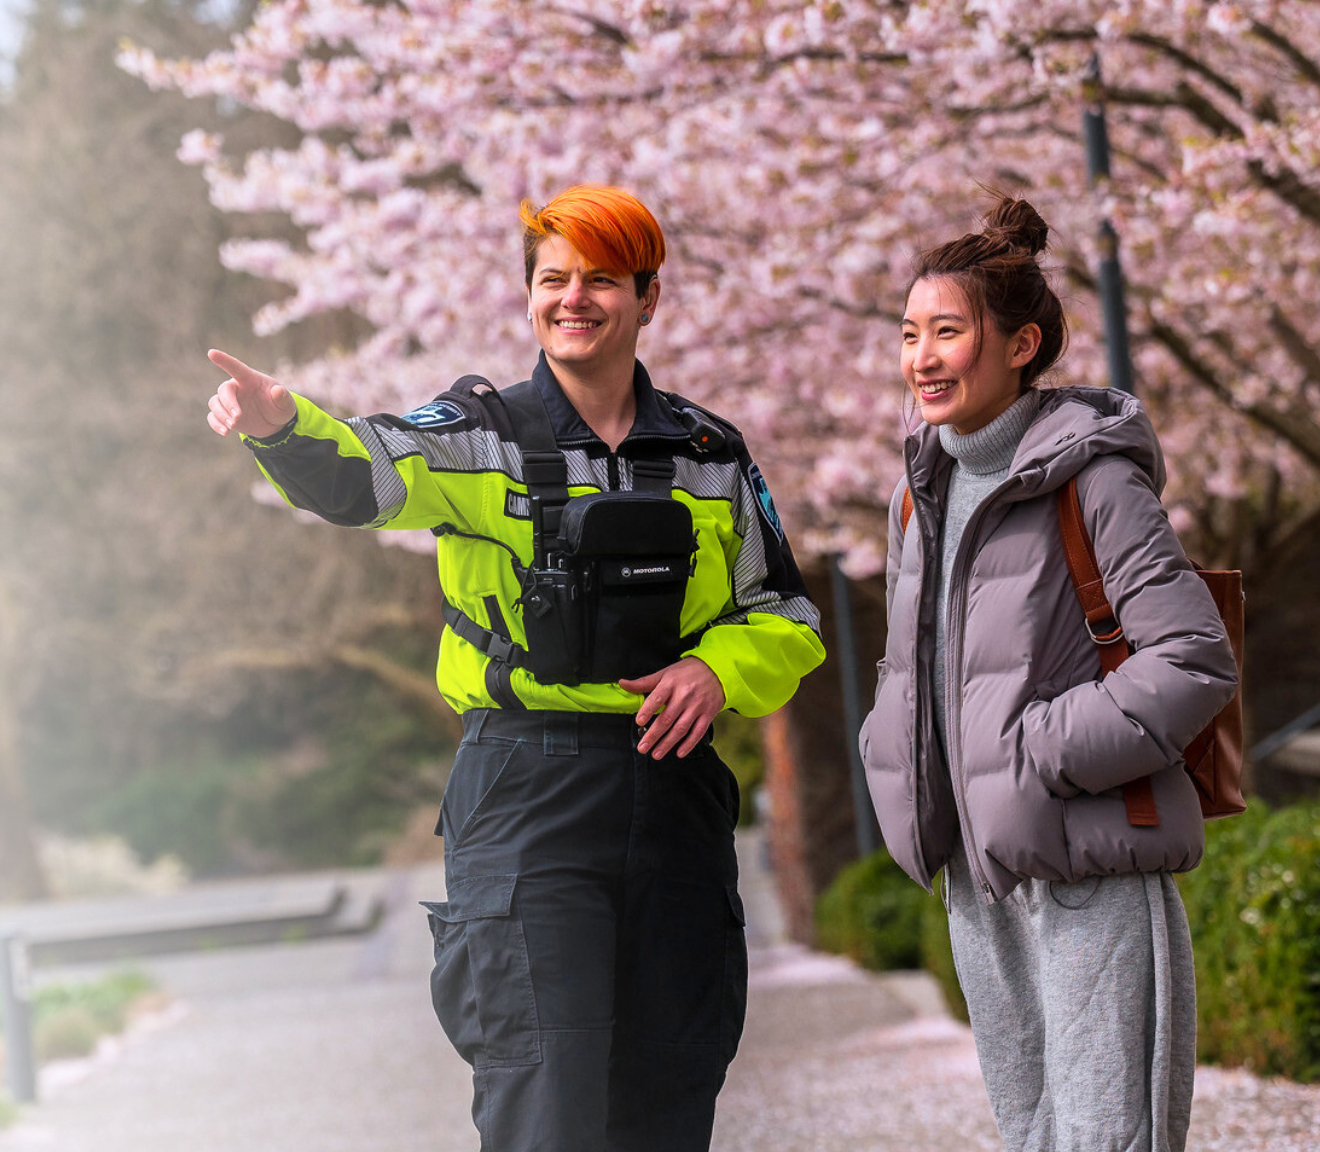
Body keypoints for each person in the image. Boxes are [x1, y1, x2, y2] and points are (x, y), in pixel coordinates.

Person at [203, 185, 825, 1151]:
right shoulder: (473, 432)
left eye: (602, 280)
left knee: (673, 1085)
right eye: (553, 279)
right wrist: (285, 426)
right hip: (526, 794)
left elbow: (786, 611)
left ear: (648, 298)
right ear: (530, 294)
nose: (574, 299)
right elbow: (367, 474)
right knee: (546, 1095)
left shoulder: (712, 454)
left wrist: (715, 671)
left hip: (675, 797)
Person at [857, 195, 1238, 1152]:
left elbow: (1193, 659)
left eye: (949, 332)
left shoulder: (1093, 478)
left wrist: (1040, 755)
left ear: (1021, 344)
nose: (923, 358)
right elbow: (914, 669)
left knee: (1108, 1138)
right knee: (1032, 1136)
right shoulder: (917, 496)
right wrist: (891, 753)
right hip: (978, 876)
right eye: (910, 334)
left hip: (1089, 870)